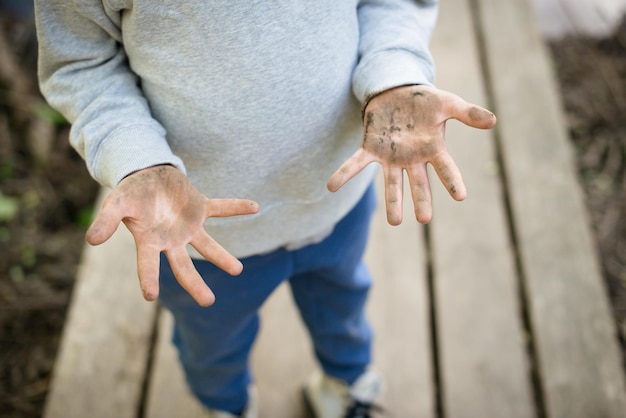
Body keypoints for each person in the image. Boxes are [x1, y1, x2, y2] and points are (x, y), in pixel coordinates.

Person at [34, 1, 496, 417]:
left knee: (343, 306)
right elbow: (82, 62)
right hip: (197, 235)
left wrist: (394, 73)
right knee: (212, 346)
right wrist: (138, 158)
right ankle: (226, 406)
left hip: (334, 202)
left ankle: (347, 386)